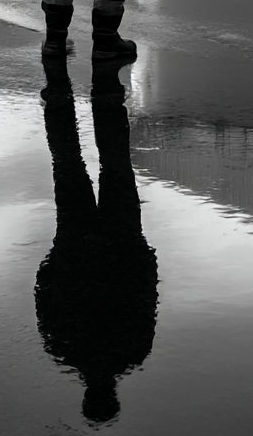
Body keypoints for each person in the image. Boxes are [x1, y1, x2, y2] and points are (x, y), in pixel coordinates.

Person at [35, 62, 158, 423]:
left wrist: (142, 253)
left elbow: (145, 292)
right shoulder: (65, 348)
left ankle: (104, 98)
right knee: (69, 164)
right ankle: (63, 98)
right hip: (79, 243)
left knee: (114, 165)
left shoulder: (131, 350)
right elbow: (44, 294)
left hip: (116, 241)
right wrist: (55, 259)